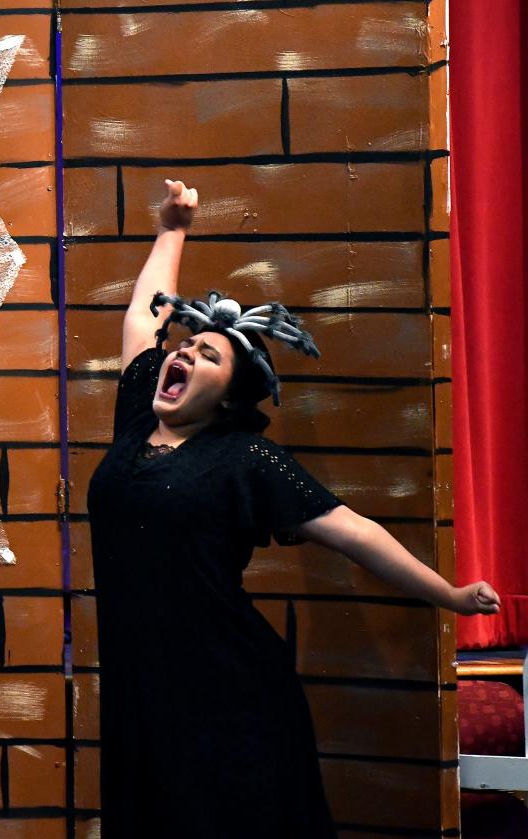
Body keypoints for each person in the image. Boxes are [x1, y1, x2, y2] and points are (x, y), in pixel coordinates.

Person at [86, 178, 502, 837]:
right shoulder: (137, 417)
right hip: (143, 697)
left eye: (209, 354)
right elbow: (144, 316)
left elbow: (354, 532)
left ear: (227, 399)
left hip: (228, 696)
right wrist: (173, 227)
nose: (186, 349)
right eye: (188, 343)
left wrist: (450, 596)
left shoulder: (244, 458)